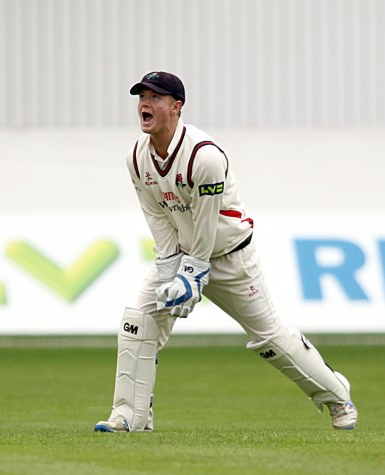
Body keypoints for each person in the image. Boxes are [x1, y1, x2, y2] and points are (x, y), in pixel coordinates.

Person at [94, 71, 358, 433]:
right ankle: (129, 417)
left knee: (271, 340)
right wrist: (171, 266)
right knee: (138, 322)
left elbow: (205, 223)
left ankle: (338, 396)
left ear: (176, 107)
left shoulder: (204, 157)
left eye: (155, 97)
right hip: (184, 253)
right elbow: (157, 216)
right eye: (141, 96)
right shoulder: (136, 158)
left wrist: (192, 274)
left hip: (230, 258)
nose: (145, 103)